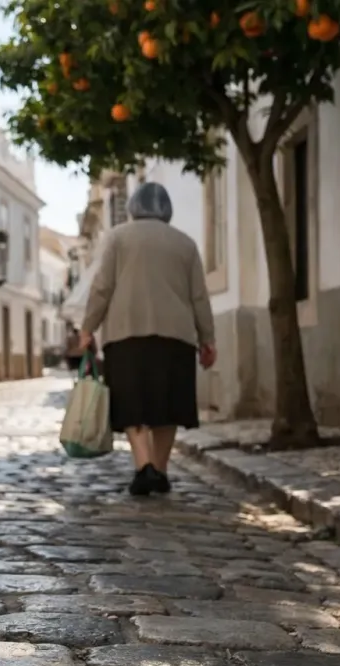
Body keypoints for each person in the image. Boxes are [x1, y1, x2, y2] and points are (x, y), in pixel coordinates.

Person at [79, 182, 216, 496]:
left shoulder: (117, 238)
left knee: (133, 402)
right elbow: (199, 296)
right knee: (168, 405)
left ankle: (144, 467)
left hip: (127, 334)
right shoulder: (186, 244)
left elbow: (102, 287)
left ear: (133, 207)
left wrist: (88, 328)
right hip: (176, 336)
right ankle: (161, 470)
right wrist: (208, 338)